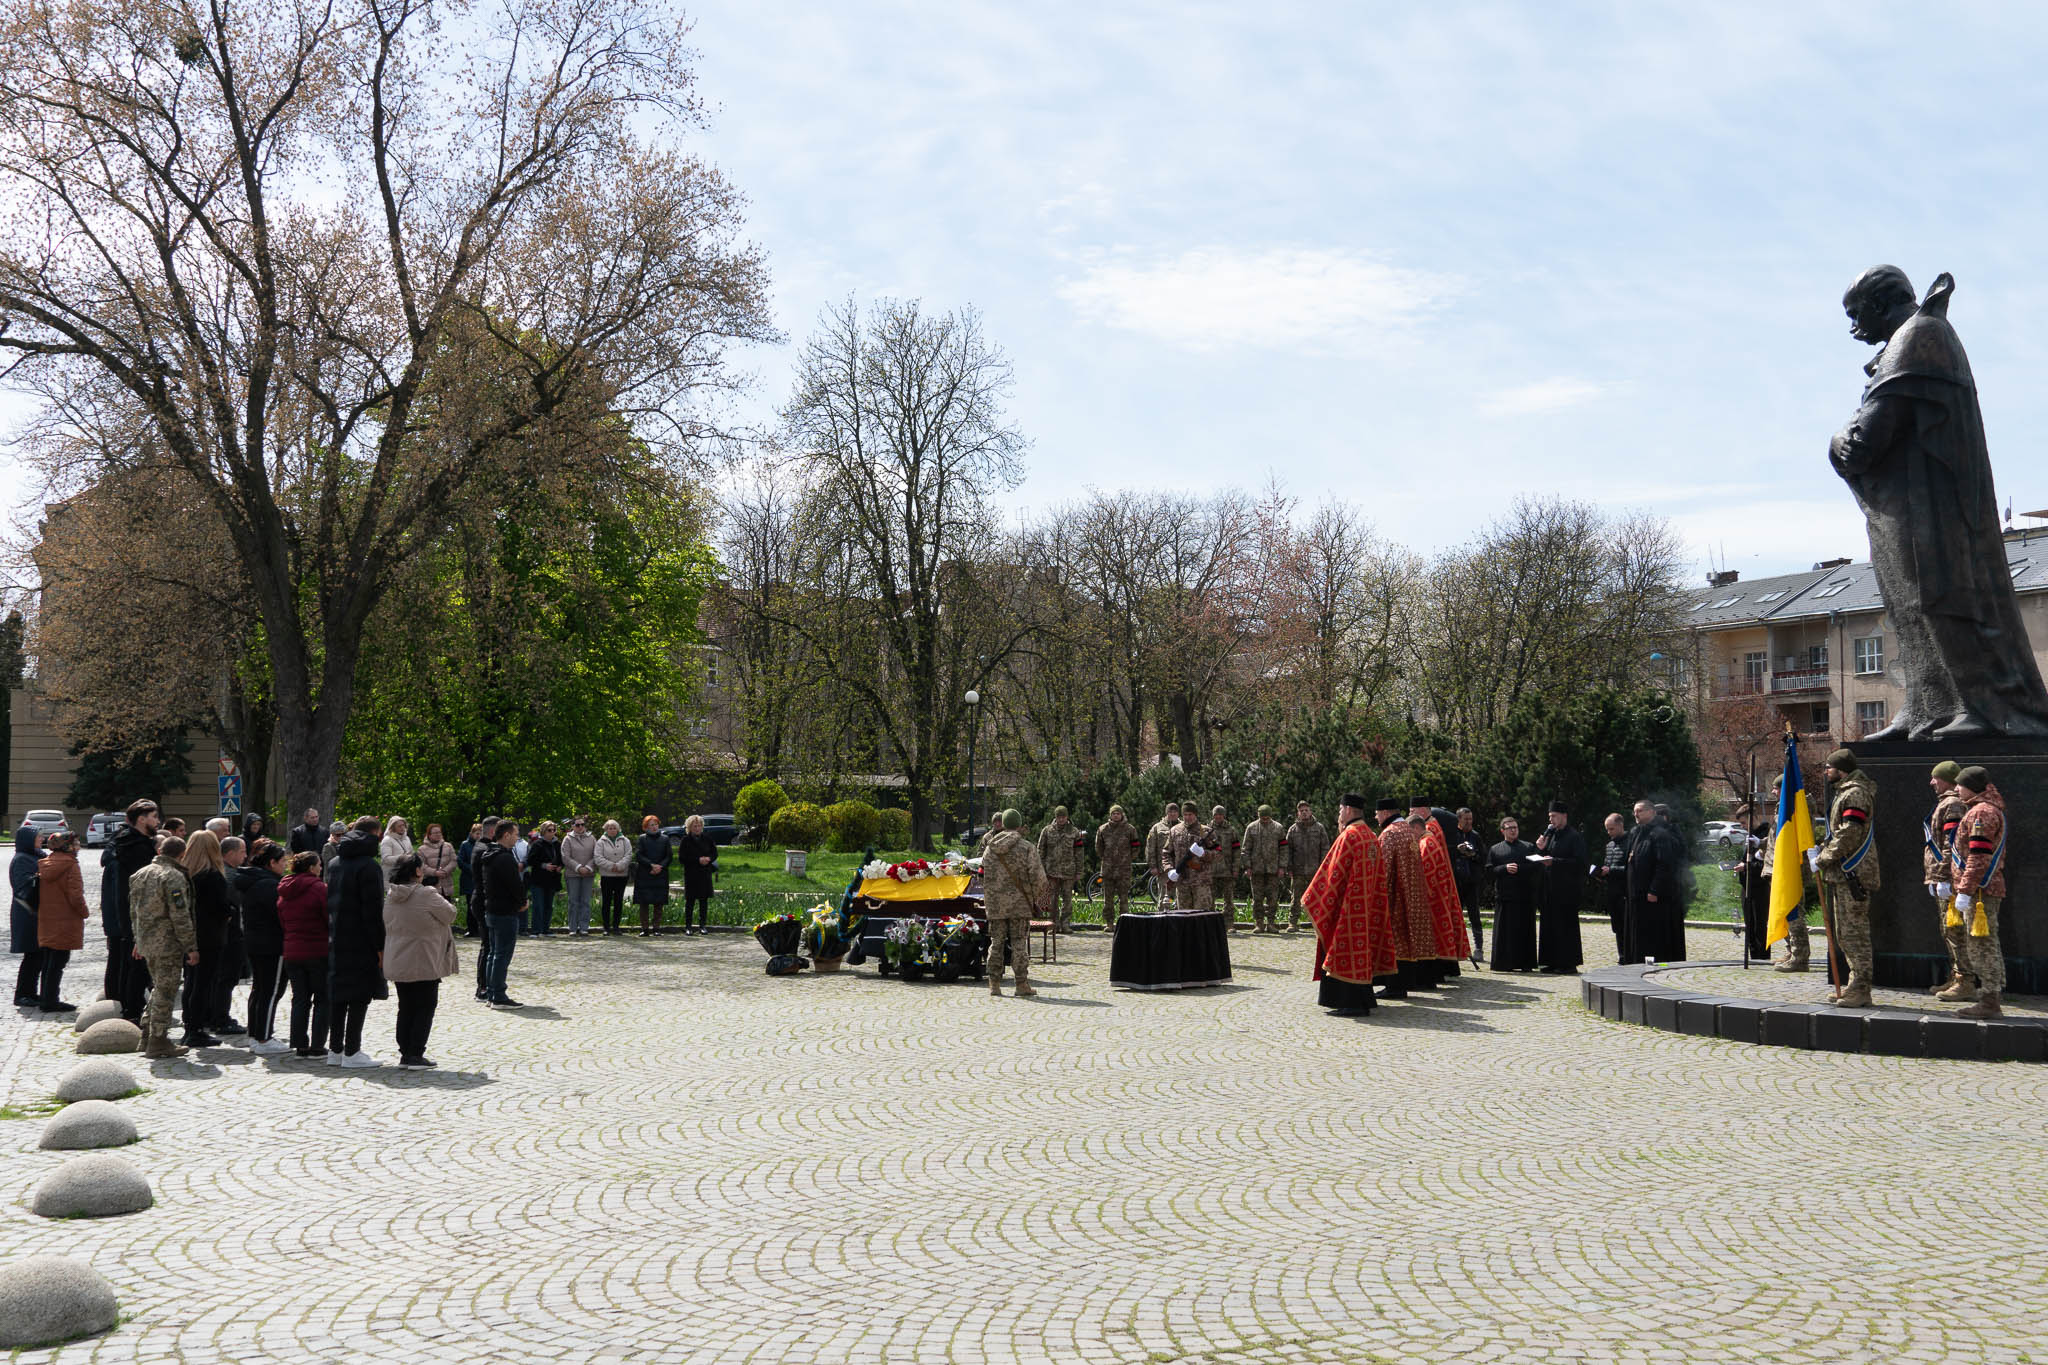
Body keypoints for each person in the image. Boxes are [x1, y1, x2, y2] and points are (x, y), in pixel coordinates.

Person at [1300, 794, 1397, 1016]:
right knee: (1360, 953)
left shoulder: (1349, 836)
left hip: (1349, 909)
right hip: (1367, 906)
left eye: (1340, 809)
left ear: (1348, 810)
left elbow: (1332, 875)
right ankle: (1362, 1000)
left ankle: (1352, 1003)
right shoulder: (1370, 835)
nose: (1338, 813)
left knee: (1346, 953)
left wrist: (1313, 897)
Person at [1809, 749, 1879, 1008]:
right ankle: (1854, 984)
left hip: (1854, 874)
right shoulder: (1845, 792)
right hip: (1844, 874)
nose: (1826, 771)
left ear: (1842, 770)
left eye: (1829, 767)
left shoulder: (1855, 793)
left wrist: (1823, 858)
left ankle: (1861, 988)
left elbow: (1850, 832)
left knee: (1854, 932)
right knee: (1845, 933)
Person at [383, 852, 459, 1068]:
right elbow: (450, 914)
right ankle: (416, 1053)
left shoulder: (391, 895)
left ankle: (405, 1052)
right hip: (424, 959)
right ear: (417, 871)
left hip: (398, 958)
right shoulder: (426, 894)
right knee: (425, 1006)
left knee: (405, 1006)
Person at [324, 815, 388, 1066]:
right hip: (362, 939)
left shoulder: (336, 862)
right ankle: (352, 1051)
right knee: (360, 996)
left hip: (337, 935)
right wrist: (380, 946)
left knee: (339, 995)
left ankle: (335, 1050)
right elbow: (372, 911)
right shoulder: (369, 866)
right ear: (374, 835)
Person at [1949, 765, 2009, 1019]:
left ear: (1971, 786)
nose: (1956, 789)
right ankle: (1990, 997)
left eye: (1960, 785)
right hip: (1980, 890)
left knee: (1982, 946)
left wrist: (1965, 889)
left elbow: (1978, 856)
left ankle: (1989, 1000)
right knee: (1984, 945)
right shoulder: (1981, 809)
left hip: (1980, 892)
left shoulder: (1982, 813)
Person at [131, 835, 198, 1059]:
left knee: (159, 987)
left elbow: (134, 912)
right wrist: (191, 947)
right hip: (167, 943)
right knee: (166, 990)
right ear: (182, 854)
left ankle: (148, 1034)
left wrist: (137, 940)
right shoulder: (173, 877)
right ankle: (159, 1040)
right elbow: (180, 916)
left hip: (147, 941)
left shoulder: (140, 874)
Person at [1924, 760, 1976, 1001]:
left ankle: (1965, 981)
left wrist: (1943, 876)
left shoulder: (1953, 804)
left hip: (1950, 879)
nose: (1932, 782)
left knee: (1955, 931)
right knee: (1948, 930)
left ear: (1946, 779)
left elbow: (1950, 843)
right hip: (1941, 877)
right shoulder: (1946, 802)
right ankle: (1957, 976)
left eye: (1936, 777)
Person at [105, 800, 160, 1020]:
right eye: (154, 817)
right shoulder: (137, 847)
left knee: (134, 966)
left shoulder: (133, 843)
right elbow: (143, 889)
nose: (157, 821)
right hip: (138, 915)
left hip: (132, 914)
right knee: (137, 967)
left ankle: (131, 1010)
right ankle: (132, 1013)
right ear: (141, 819)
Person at [980, 809, 1045, 998]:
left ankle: (994, 983)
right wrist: (1041, 902)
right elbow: (1038, 878)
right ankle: (1021, 984)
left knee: (996, 942)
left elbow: (981, 874)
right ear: (1018, 825)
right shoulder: (1027, 847)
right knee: (1018, 943)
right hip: (1020, 904)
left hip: (995, 905)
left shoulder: (990, 848)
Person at [237, 841, 291, 1054]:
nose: (285, 865)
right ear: (272, 862)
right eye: (283, 861)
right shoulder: (268, 884)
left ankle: (256, 1033)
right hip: (270, 943)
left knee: (259, 990)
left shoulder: (254, 880)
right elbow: (279, 915)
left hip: (255, 941)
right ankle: (263, 1037)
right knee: (270, 990)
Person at [277, 851, 331, 1057]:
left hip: (292, 949)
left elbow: (282, 918)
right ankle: (317, 1044)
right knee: (321, 998)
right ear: (311, 867)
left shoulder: (284, 888)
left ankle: (300, 1043)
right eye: (319, 864)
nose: (321, 868)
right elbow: (328, 917)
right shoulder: (319, 888)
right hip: (317, 949)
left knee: (300, 998)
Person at [179, 831, 231, 1048]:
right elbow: (221, 907)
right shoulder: (212, 876)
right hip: (209, 936)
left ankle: (190, 1026)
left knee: (191, 982)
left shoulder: (185, 874)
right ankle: (196, 1029)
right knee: (203, 984)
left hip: (189, 935)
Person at [1622, 800, 1685, 965]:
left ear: (1651, 812)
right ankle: (1635, 963)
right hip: (1636, 895)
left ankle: (1654, 964)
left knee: (1652, 936)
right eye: (1635, 811)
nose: (1636, 814)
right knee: (1637, 934)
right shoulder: (1637, 833)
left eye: (1640, 811)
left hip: (1652, 896)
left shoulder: (1660, 834)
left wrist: (1654, 890)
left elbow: (1664, 864)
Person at [34, 830, 87, 1013]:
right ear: (68, 846)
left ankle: (46, 998)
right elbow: (75, 896)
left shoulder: (45, 864)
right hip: (66, 920)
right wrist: (85, 912)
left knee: (49, 960)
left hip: (47, 919)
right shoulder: (71, 865)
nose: (78, 847)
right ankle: (50, 1001)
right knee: (58, 962)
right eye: (76, 844)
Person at [1531, 801, 1586, 975]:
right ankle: (1551, 961)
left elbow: (1580, 863)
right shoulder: (1551, 835)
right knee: (1549, 926)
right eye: (1550, 817)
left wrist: (1555, 862)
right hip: (1549, 889)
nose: (1551, 820)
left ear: (1564, 816)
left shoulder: (1574, 837)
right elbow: (1545, 857)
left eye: (1554, 816)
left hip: (1566, 890)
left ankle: (1568, 963)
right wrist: (1539, 849)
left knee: (1565, 927)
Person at [477, 819, 526, 1006]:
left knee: (494, 954)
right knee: (501, 955)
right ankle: (498, 994)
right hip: (505, 911)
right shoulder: (504, 857)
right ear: (506, 835)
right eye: (515, 834)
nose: (517, 838)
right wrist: (522, 902)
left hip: (492, 909)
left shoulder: (489, 854)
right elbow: (514, 884)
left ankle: (491, 993)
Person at [209, 834, 250, 1033]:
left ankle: (216, 1016)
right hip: (229, 935)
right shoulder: (230, 877)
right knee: (226, 978)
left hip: (225, 934)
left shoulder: (227, 872)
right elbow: (233, 906)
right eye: (242, 851)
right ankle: (220, 1018)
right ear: (231, 853)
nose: (245, 855)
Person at [1487, 817, 1539, 972]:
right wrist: (1504, 868)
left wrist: (1519, 869)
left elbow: (1535, 867)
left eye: (1515, 827)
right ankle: (1504, 963)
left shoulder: (1528, 847)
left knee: (1524, 932)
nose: (1513, 830)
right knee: (1505, 933)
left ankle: (1525, 963)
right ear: (1502, 830)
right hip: (1505, 897)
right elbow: (1489, 870)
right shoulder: (1495, 849)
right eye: (1509, 828)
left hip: (1524, 896)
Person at [1035, 806, 1085, 932]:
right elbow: (1040, 850)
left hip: (1068, 871)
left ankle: (1066, 924)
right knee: (1052, 900)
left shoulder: (1074, 832)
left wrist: (1079, 871)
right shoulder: (1047, 831)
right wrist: (1041, 869)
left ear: (1067, 817)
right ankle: (1054, 924)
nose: (1061, 819)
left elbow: (1079, 853)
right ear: (1055, 817)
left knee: (1067, 899)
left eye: (1063, 817)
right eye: (1059, 817)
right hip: (1051, 871)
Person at [1283, 801, 1330, 933]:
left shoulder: (1319, 828)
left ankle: (1318, 923)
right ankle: (1292, 923)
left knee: (1317, 898)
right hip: (1298, 871)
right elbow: (1288, 850)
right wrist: (1289, 867)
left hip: (1315, 870)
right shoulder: (1293, 829)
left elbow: (1325, 848)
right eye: (1301, 811)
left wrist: (1323, 868)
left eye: (1306, 810)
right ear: (1298, 813)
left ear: (1310, 812)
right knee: (1296, 898)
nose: (1304, 812)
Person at [10, 825, 43, 1008]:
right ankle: (22, 994)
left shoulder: (37, 855)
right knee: (31, 955)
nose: (41, 839)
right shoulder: (22, 859)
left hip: (36, 913)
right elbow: (23, 886)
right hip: (26, 913)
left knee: (38, 956)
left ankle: (31, 992)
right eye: (38, 837)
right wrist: (40, 876)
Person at [1240, 805, 1285, 933]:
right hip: (1256, 870)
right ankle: (1259, 924)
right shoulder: (1251, 827)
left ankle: (1271, 923)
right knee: (1257, 899)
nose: (1264, 819)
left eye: (1267, 817)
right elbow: (1245, 849)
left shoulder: (1278, 828)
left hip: (1273, 869)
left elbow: (1284, 848)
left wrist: (1282, 866)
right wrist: (1247, 866)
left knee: (1273, 899)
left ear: (1270, 815)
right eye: (1262, 817)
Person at [1162, 801, 1214, 910]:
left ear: (1195, 815)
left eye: (1190, 814)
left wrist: (1204, 854)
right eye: (1185, 814)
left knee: (1201, 916)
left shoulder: (1205, 831)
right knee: (1183, 917)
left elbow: (1219, 854)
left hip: (1201, 881)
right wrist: (1169, 869)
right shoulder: (1174, 831)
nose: (1187, 817)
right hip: (1182, 882)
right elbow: (1166, 853)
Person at [1095, 805, 1141, 928]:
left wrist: (1128, 858)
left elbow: (1136, 846)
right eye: (1113, 813)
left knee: (1124, 899)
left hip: (1124, 870)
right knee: (1108, 900)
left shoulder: (1130, 829)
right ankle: (1109, 924)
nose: (1116, 815)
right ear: (1110, 815)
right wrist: (1106, 858)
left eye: (1118, 813)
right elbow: (1098, 847)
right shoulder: (1103, 829)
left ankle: (1124, 925)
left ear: (1122, 815)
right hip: (1108, 870)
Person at [1449, 808, 1486, 959]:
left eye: (1471, 819)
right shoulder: (1453, 835)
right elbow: (1448, 854)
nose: (1469, 822)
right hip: (1456, 881)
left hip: (1471, 881)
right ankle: (1455, 948)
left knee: (1474, 915)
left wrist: (1473, 855)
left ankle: (1479, 948)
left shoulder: (1475, 836)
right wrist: (1458, 851)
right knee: (1455, 915)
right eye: (1466, 820)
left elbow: (1483, 858)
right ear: (1458, 820)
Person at [1594, 813, 1629, 960]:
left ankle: (1629, 955)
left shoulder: (1631, 842)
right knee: (1617, 926)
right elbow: (1607, 865)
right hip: (1612, 891)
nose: (1609, 833)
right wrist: (1600, 873)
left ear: (1621, 825)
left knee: (1627, 926)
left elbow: (1631, 868)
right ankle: (1621, 955)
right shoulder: (1609, 845)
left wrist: (1612, 870)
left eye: (1612, 829)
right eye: (1607, 829)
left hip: (1625, 891)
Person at [676, 815, 717, 935]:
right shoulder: (685, 840)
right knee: (690, 901)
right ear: (689, 827)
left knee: (703, 901)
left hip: (705, 874)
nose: (697, 828)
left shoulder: (707, 839)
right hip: (691, 874)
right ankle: (688, 926)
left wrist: (709, 859)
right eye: (695, 826)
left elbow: (714, 853)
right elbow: (682, 858)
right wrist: (697, 860)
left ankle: (702, 925)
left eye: (699, 826)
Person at [559, 817, 599, 937]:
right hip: (573, 874)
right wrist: (578, 867)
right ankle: (572, 927)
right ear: (572, 826)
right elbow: (565, 856)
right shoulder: (567, 839)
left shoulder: (592, 838)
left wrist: (587, 867)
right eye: (577, 825)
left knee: (585, 901)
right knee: (573, 901)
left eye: (582, 824)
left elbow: (596, 854)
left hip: (588, 873)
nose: (580, 827)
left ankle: (584, 927)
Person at [632, 816, 670, 937]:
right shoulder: (642, 839)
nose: (654, 827)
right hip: (645, 873)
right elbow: (639, 855)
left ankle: (656, 928)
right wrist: (651, 865)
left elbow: (669, 856)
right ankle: (645, 929)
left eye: (655, 824)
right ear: (646, 827)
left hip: (661, 873)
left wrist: (660, 866)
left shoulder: (665, 839)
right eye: (651, 825)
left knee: (659, 902)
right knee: (644, 902)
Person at [595, 819, 633, 936]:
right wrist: (612, 866)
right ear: (606, 830)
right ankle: (606, 927)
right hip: (607, 875)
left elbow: (629, 855)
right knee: (606, 901)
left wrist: (620, 865)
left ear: (618, 829)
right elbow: (598, 857)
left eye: (614, 828)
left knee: (618, 901)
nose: (612, 830)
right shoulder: (600, 842)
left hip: (621, 875)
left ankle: (616, 927)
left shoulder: (625, 840)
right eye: (609, 828)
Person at [1207, 806, 1240, 928]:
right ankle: (1211, 924)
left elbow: (1237, 850)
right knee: (1210, 899)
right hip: (1211, 870)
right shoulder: (1207, 830)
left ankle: (1229, 924)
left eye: (1220, 815)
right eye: (1216, 815)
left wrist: (1235, 868)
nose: (1218, 817)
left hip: (1227, 870)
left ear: (1224, 815)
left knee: (1229, 899)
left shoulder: (1231, 830)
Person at [1143, 803, 1180, 907]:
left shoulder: (1182, 826)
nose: (1172, 814)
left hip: (1180, 868)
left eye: (1175, 812)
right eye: (1170, 812)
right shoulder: (1157, 827)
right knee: (1164, 898)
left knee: (1181, 899)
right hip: (1163, 869)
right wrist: (1153, 866)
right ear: (1166, 813)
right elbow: (1150, 848)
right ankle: (1162, 921)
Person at [456, 823, 483, 935]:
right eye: (477, 833)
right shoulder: (465, 845)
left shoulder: (484, 844)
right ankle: (472, 929)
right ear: (471, 833)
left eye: (481, 833)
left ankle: (482, 929)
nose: (479, 835)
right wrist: (473, 869)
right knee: (471, 904)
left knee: (482, 905)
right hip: (469, 879)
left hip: (482, 879)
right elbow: (460, 861)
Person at [418, 823, 458, 897]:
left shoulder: (448, 846)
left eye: (439, 832)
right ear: (429, 835)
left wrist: (445, 871)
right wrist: (434, 872)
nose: (438, 834)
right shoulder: (422, 849)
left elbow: (454, 861)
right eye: (435, 833)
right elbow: (421, 865)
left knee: (447, 906)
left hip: (447, 883)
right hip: (431, 885)